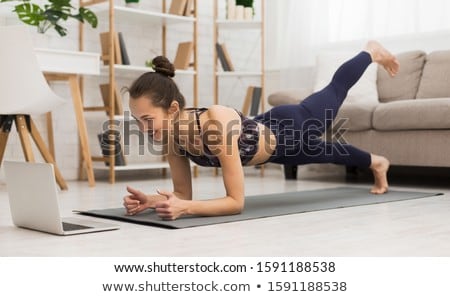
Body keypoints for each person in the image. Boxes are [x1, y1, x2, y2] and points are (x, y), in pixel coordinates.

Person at [123, 40, 400, 220]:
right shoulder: (172, 139)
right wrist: (152, 201)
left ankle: (370, 52)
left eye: (148, 119)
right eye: (137, 121)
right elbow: (182, 194)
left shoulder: (214, 123)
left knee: (335, 89)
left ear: (172, 109)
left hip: (292, 126)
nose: (143, 128)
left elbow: (235, 202)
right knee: (331, 152)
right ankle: (378, 162)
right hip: (275, 150)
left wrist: (186, 208)